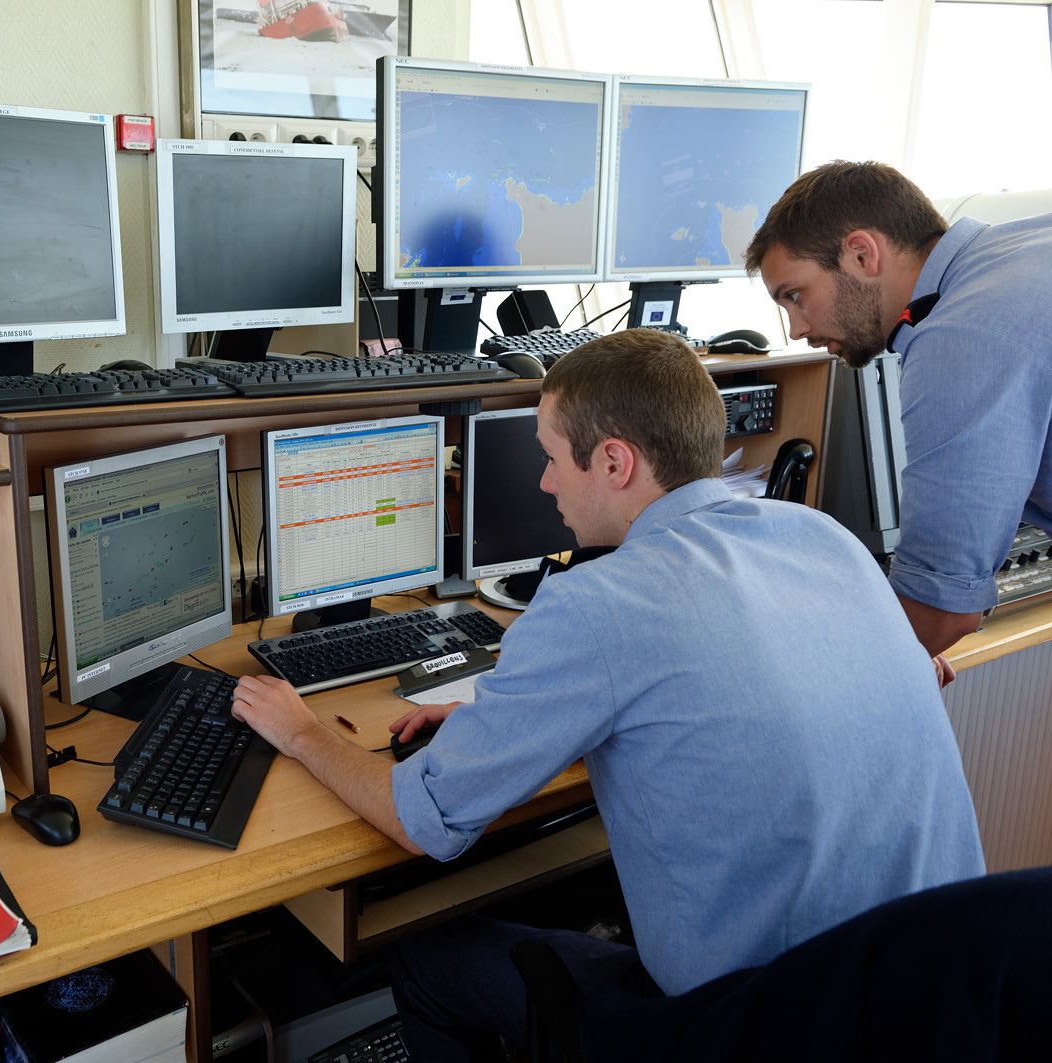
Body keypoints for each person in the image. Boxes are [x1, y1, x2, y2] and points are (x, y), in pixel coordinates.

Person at [229, 329, 985, 1061]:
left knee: (428, 962)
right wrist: (513, 722)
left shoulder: (598, 602)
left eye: (552, 456)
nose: (545, 481)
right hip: (942, 1000)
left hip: (759, 1027)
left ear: (616, 462)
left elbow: (422, 820)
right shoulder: (824, 539)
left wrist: (301, 732)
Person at [744, 160, 1052, 658]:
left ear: (862, 254)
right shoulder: (1022, 249)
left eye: (796, 296)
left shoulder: (959, 334)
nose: (796, 329)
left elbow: (941, 612)